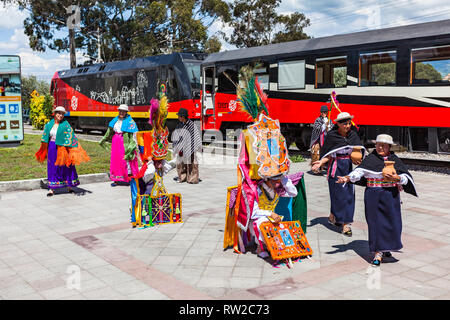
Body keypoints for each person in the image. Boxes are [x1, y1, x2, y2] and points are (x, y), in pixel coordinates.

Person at [337, 134, 417, 266]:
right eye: (378, 145)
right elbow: (359, 172)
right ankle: (378, 252)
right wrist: (347, 178)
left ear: (389, 147)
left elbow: (405, 176)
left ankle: (386, 248)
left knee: (393, 223)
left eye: (384, 146)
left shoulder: (394, 159)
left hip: (391, 195)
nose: (380, 147)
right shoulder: (370, 159)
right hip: (373, 194)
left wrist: (398, 179)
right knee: (376, 223)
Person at [311, 112, 365, 236]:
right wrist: (320, 163)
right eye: (344, 124)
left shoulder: (353, 135)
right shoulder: (332, 136)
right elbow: (328, 154)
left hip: (348, 168)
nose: (347, 126)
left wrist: (359, 159)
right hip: (335, 168)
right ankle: (333, 216)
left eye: (349, 123)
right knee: (337, 196)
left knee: (348, 196)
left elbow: (358, 151)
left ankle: (345, 224)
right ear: (338, 124)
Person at [35, 106, 90, 196]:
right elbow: (45, 137)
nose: (60, 115)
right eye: (58, 113)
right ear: (55, 113)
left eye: (62, 114)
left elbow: (71, 137)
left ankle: (69, 186)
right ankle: (51, 189)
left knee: (67, 167)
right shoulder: (49, 124)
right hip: (52, 147)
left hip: (64, 148)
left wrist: (72, 149)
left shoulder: (66, 125)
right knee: (52, 167)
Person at [99, 104, 139, 186]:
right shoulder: (115, 120)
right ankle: (116, 179)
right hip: (116, 142)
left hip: (125, 142)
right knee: (115, 160)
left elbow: (133, 135)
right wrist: (104, 140)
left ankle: (129, 178)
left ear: (126, 112)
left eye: (123, 111)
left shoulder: (130, 121)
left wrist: (131, 145)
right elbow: (109, 131)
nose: (121, 112)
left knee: (126, 160)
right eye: (120, 111)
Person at [172, 107, 202, 184]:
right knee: (180, 163)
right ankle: (182, 177)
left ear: (183, 117)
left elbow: (196, 136)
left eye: (179, 116)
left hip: (190, 147)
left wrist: (197, 147)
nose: (178, 117)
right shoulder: (179, 125)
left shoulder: (191, 125)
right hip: (181, 148)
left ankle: (192, 179)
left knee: (192, 163)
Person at [309, 105, 330, 174]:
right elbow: (316, 128)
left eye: (325, 112)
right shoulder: (318, 120)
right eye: (322, 112)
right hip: (318, 139)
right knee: (316, 153)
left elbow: (331, 129)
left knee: (328, 154)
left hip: (327, 140)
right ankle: (316, 169)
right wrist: (323, 125)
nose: (323, 113)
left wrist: (328, 127)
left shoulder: (329, 120)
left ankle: (327, 167)